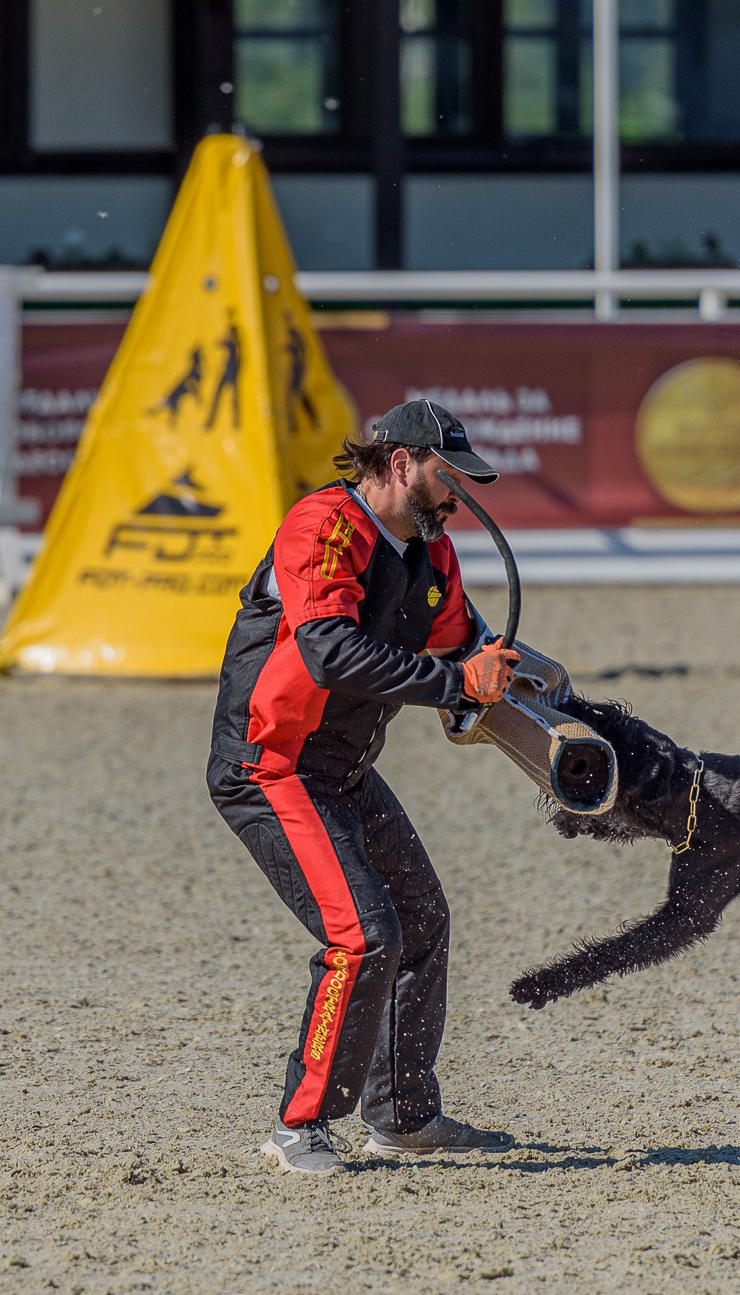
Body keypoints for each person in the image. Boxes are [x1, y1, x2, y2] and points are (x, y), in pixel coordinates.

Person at [207, 398, 522, 1175]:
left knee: (422, 921)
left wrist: (546, 703)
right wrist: (456, 685)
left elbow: (469, 648)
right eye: (451, 478)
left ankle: (403, 1117)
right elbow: (330, 655)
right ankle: (300, 1124)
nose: (460, 497)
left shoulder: (431, 555)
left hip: (342, 769)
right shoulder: (322, 526)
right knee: (364, 937)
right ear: (402, 463)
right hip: (270, 766)